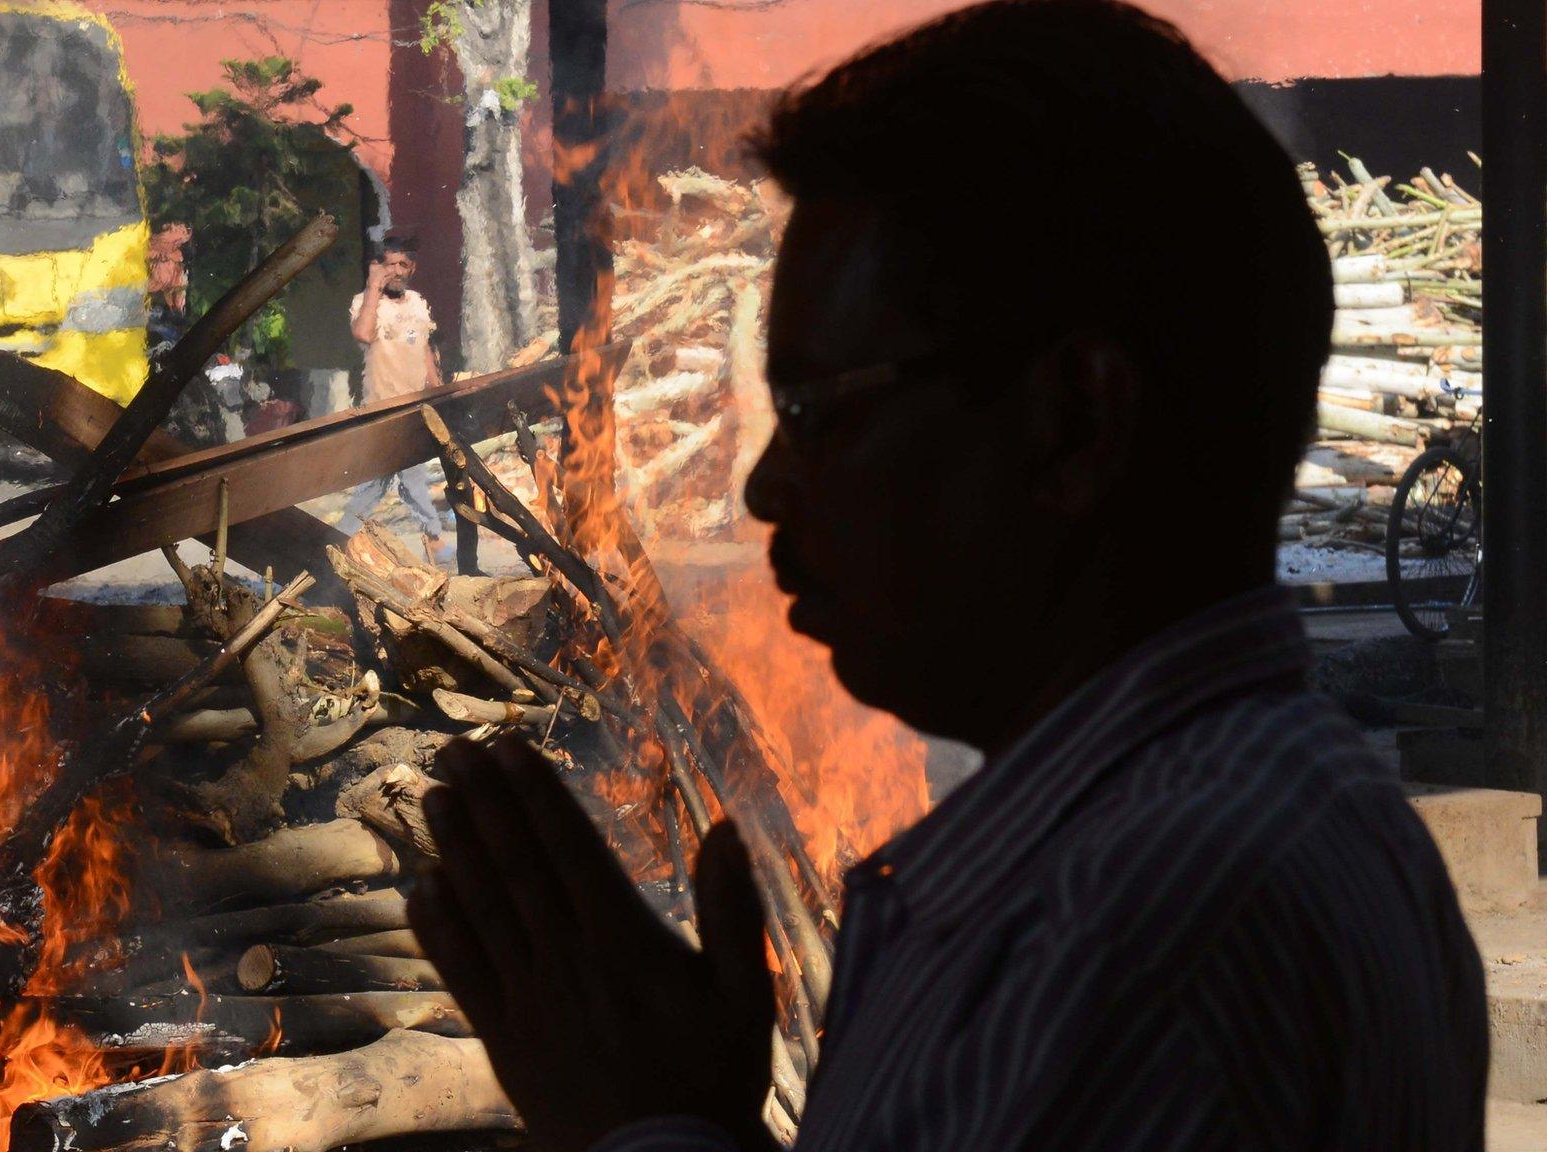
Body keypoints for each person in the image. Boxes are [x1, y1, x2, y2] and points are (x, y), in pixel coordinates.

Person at [404, 3, 1489, 1152]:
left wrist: (641, 1130)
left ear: (1070, 423)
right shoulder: (1271, 818)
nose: (766, 489)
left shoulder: (1130, 938)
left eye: (820, 410)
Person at [339, 235, 453, 564]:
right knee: (391, 479)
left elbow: (426, 351)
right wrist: (374, 287)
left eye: (403, 265)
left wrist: (436, 390)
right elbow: (362, 334)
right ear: (378, 267)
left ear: (412, 268)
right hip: (383, 411)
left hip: (416, 408)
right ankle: (434, 542)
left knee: (390, 480)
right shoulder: (367, 302)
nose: (397, 271)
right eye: (390, 265)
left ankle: (342, 538)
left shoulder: (417, 302)